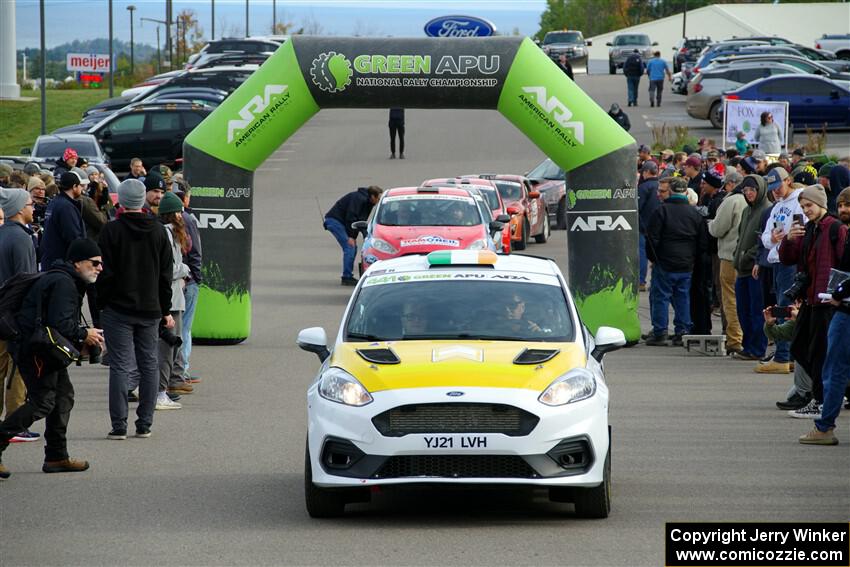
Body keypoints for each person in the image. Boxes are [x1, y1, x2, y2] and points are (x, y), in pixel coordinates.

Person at [0, 239, 106, 479]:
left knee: (63, 397)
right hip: (35, 351)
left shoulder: (65, 279)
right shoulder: (64, 283)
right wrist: (85, 334)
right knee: (43, 402)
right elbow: (61, 324)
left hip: (42, 349)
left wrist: (80, 339)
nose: (100, 268)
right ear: (78, 263)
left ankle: (57, 456)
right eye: (95, 263)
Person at [97, 179, 174, 439]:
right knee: (148, 363)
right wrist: (165, 309)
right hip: (150, 307)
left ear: (121, 200)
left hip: (118, 307)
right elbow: (166, 275)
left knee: (120, 365)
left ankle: (119, 425)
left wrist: (102, 303)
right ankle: (145, 423)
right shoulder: (160, 231)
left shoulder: (111, 230)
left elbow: (104, 272)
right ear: (142, 200)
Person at [780, 185, 848, 421]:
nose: (806, 210)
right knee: (799, 347)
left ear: (821, 204)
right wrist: (788, 239)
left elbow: (844, 262)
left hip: (828, 300)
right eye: (803, 206)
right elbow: (789, 258)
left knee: (821, 353)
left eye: (809, 206)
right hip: (810, 297)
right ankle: (827, 394)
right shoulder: (810, 228)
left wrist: (839, 294)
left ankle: (821, 400)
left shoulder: (835, 228)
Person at [799, 186, 850, 444]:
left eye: (848, 205)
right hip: (835, 305)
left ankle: (824, 427)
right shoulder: (828, 229)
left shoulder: (837, 230)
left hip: (843, 309)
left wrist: (839, 293)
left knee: (834, 369)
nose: (843, 210)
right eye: (840, 204)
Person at [645, 177, 707, 345]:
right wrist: (692, 258)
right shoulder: (695, 213)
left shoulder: (661, 211)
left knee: (661, 297)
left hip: (664, 261)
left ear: (671, 191)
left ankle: (660, 332)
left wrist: (654, 258)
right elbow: (702, 242)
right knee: (683, 297)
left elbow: (652, 239)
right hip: (686, 263)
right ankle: (682, 331)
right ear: (686, 192)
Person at [0, 189, 41, 443]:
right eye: (30, 204)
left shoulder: (3, 234)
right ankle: (14, 423)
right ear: (18, 209)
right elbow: (27, 281)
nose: (33, 208)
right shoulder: (21, 239)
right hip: (14, 316)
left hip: (1, 312)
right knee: (17, 369)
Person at [757, 167, 803, 373]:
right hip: (777, 260)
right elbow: (765, 237)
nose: (776, 191)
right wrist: (773, 239)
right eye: (773, 188)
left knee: (786, 306)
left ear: (789, 180)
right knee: (782, 304)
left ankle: (783, 356)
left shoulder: (799, 202)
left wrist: (782, 240)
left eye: (778, 186)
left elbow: (800, 232)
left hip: (790, 262)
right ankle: (788, 354)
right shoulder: (776, 207)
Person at [156, 192, 192, 403]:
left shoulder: (171, 233)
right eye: (179, 211)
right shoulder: (167, 234)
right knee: (167, 346)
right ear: (173, 214)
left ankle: (167, 385)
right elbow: (167, 269)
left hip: (175, 297)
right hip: (170, 299)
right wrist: (185, 269)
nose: (182, 214)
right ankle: (161, 390)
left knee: (173, 345)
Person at [732, 175, 772, 361]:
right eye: (745, 190)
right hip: (742, 269)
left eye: (752, 190)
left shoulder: (767, 210)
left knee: (757, 310)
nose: (748, 193)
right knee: (743, 309)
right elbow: (741, 237)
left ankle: (757, 348)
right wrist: (737, 256)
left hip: (756, 268)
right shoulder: (747, 211)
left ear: (760, 190)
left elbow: (764, 240)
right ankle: (748, 346)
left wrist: (749, 256)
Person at [708, 171, 746, 354]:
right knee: (749, 300)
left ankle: (735, 339)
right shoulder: (758, 200)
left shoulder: (732, 201)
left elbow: (717, 229)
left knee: (730, 299)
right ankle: (752, 336)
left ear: (731, 185)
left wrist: (708, 224)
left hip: (730, 257)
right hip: (750, 258)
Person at [323, 186, 383, 286]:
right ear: (373, 196)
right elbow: (351, 218)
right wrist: (351, 236)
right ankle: (346, 277)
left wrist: (366, 235)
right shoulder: (359, 199)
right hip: (335, 221)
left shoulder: (368, 203)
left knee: (352, 247)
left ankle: (348, 274)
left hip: (343, 222)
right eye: (378, 198)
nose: (379, 201)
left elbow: (360, 221)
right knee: (349, 246)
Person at [39, 170, 87, 272]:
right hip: (61, 264)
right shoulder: (66, 207)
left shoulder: (54, 203)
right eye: (80, 186)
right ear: (74, 187)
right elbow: (73, 237)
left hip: (50, 260)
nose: (82, 189)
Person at [637, 161, 660, 291]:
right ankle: (655, 281)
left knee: (643, 254)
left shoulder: (643, 187)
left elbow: (638, 208)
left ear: (646, 172)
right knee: (657, 255)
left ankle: (641, 281)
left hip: (644, 226)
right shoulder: (661, 186)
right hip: (659, 226)